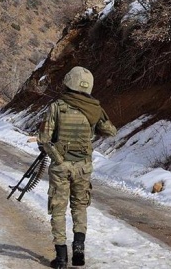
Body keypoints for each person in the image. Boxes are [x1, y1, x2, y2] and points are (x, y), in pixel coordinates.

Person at [37, 66, 117, 269]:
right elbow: (110, 131)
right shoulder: (94, 108)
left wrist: (57, 158)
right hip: (83, 167)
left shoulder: (57, 106)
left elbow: (44, 139)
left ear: (69, 81)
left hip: (61, 168)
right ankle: (79, 247)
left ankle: (61, 258)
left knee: (58, 209)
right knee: (80, 206)